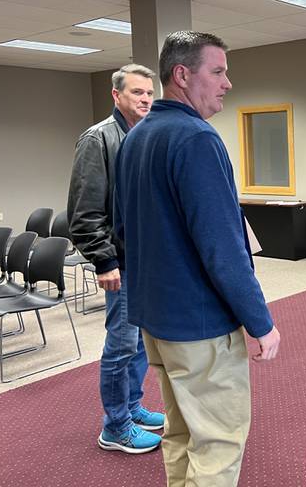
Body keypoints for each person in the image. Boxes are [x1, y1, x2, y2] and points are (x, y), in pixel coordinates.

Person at [114, 31, 280, 486]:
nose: (228, 82)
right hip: (200, 326)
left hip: (156, 321)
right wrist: (260, 321)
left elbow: (123, 231)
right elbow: (223, 249)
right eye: (218, 71)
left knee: (182, 432)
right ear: (183, 75)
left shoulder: (136, 137)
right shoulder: (197, 140)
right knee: (219, 442)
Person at [67, 63, 163, 454]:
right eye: (136, 92)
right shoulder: (98, 140)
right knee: (121, 345)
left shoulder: (145, 136)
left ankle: (133, 406)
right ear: (116, 95)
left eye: (149, 93)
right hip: (120, 265)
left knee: (140, 343)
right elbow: (84, 213)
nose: (144, 99)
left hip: (145, 265)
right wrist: (105, 261)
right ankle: (116, 426)